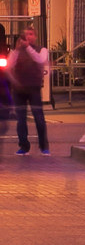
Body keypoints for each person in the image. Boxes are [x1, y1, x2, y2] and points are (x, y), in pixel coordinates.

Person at [7, 27, 49, 156]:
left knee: (39, 118)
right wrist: (18, 49)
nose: (28, 37)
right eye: (26, 35)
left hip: (34, 89)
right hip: (19, 90)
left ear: (35, 37)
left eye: (31, 34)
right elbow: (9, 65)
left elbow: (40, 60)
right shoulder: (17, 51)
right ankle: (24, 146)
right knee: (21, 120)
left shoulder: (42, 49)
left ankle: (44, 147)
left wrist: (28, 48)